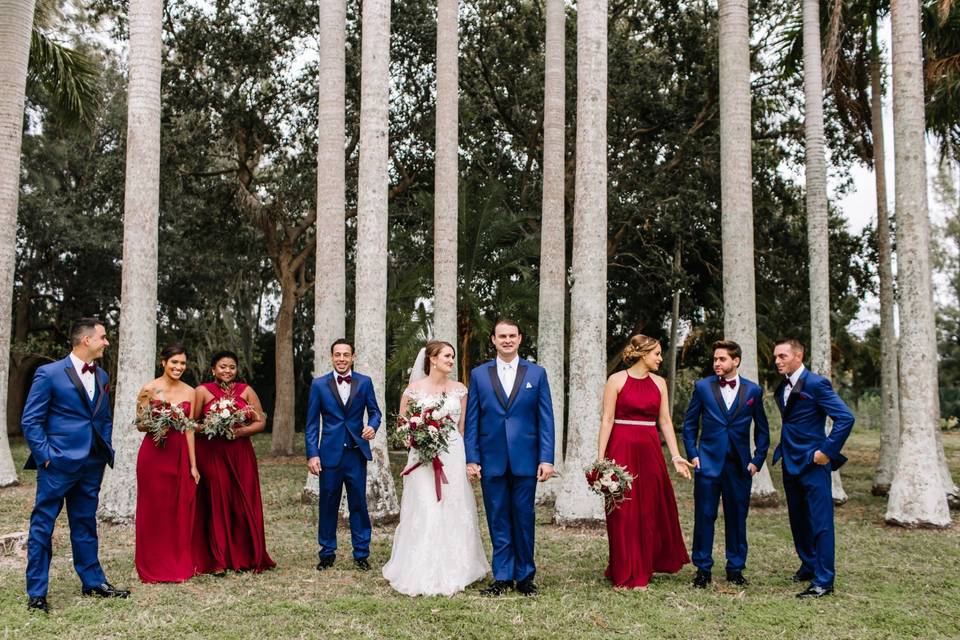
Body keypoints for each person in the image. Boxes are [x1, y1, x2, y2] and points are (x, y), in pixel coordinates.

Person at [21, 318, 129, 613]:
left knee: (85, 524)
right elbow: (31, 420)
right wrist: (46, 456)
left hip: (91, 464)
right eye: (103, 337)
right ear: (86, 340)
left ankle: (93, 582)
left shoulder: (103, 376)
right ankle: (37, 593)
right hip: (56, 464)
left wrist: (103, 449)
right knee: (43, 527)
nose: (106, 342)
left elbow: (102, 418)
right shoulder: (49, 373)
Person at [382, 341, 489, 595]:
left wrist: (469, 461)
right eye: (447, 356)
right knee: (426, 509)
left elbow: (462, 428)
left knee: (453, 508)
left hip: (452, 453)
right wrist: (418, 438)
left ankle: (456, 569)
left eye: (452, 356)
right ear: (432, 359)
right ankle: (420, 569)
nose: (451, 360)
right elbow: (402, 427)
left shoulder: (460, 390)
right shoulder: (413, 391)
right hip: (421, 459)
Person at [464, 318, 555, 597]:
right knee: (498, 518)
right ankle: (502, 576)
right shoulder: (480, 375)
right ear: (493, 339)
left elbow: (546, 419)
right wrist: (472, 458)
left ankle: (525, 576)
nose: (507, 340)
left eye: (512, 336)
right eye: (501, 336)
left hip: (526, 460)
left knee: (524, 518)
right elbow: (472, 420)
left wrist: (547, 458)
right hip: (491, 460)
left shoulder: (536, 374)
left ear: (520, 339)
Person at [596, 334, 692, 589]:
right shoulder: (616, 380)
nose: (660, 358)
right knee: (622, 510)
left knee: (649, 509)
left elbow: (665, 421)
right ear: (642, 354)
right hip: (621, 448)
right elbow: (607, 419)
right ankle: (624, 567)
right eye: (657, 353)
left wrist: (675, 456)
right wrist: (601, 460)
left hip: (650, 451)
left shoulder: (660, 383)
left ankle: (645, 566)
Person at [682, 340, 770, 589]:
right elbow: (689, 424)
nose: (716, 363)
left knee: (737, 518)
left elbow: (762, 431)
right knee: (704, 516)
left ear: (736, 361)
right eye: (715, 359)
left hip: (739, 467)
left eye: (721, 359)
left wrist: (757, 461)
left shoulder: (753, 392)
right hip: (707, 463)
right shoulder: (702, 387)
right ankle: (702, 569)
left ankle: (735, 568)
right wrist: (693, 454)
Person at [772, 338, 854, 598]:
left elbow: (845, 418)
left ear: (798, 356)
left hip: (813, 463)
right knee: (798, 520)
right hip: (789, 461)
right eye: (775, 357)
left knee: (821, 523)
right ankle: (808, 564)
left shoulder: (817, 384)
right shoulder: (780, 388)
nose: (777, 361)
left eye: (783, 356)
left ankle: (824, 580)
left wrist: (826, 451)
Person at [193, 350, 275, 573]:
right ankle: (219, 559)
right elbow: (192, 424)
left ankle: (245, 556)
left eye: (231, 367)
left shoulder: (246, 391)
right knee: (218, 500)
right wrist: (213, 426)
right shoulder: (201, 391)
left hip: (241, 453)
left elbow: (260, 422)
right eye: (222, 367)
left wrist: (240, 432)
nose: (227, 371)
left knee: (242, 500)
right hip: (212, 453)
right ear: (213, 369)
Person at [305, 339, 382, 571]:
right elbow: (311, 424)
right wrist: (312, 454)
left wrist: (373, 426)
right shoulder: (319, 385)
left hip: (356, 454)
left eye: (345, 355)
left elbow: (375, 412)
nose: (341, 358)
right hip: (329, 455)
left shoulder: (364, 382)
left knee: (358, 503)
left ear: (353, 357)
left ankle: (361, 553)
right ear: (331, 357)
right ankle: (327, 552)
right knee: (328, 504)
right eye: (337, 354)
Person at [134, 343, 201, 583]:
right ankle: (151, 563)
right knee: (153, 508)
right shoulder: (149, 389)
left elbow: (190, 429)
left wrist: (193, 465)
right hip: (154, 455)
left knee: (178, 508)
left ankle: (177, 561)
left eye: (182, 363)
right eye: (174, 362)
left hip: (180, 453)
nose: (179, 367)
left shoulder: (191, 392)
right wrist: (158, 418)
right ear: (163, 363)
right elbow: (140, 424)